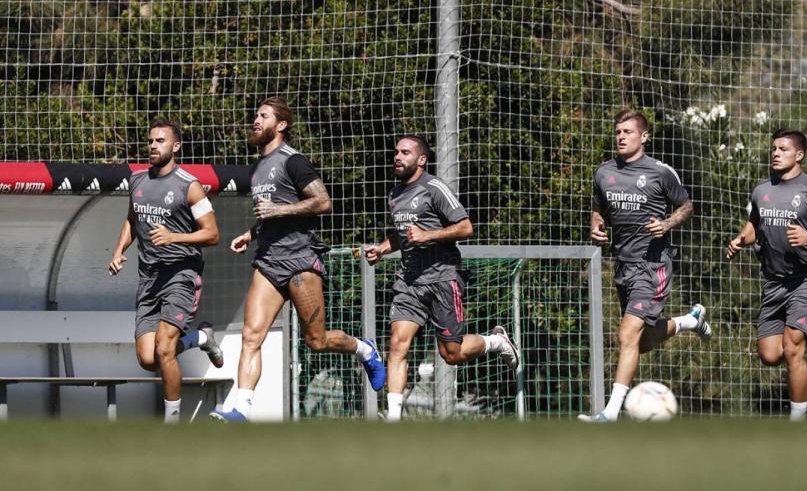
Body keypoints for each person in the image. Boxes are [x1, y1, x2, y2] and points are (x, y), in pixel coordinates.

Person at [210, 97, 384, 422]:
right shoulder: (257, 167)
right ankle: (241, 409)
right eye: (256, 115)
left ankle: (364, 349)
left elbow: (322, 201)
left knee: (316, 341)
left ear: (282, 125)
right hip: (269, 261)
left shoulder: (294, 161)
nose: (256, 120)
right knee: (252, 335)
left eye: (263, 116)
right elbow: (271, 214)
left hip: (301, 260)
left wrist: (278, 210)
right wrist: (252, 233)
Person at [364, 135, 520, 422]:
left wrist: (428, 235)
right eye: (396, 152)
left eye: (406, 152)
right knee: (397, 343)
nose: (398, 156)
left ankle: (497, 342)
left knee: (452, 353)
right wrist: (383, 248)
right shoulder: (395, 193)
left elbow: (465, 227)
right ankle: (393, 418)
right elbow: (403, 235)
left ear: (421, 159)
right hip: (409, 281)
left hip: (442, 278)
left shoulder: (434, 188)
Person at [578, 110, 711, 423]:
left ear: (644, 137)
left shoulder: (660, 172)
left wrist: (666, 224)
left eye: (628, 131)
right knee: (644, 341)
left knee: (627, 334)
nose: (621, 136)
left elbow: (687, 206)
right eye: (618, 132)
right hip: (623, 264)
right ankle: (689, 322)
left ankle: (609, 414)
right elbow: (598, 208)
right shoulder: (603, 172)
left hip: (653, 265)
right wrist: (596, 225)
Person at [726, 129, 807, 422]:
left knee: (793, 348)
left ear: (799, 155)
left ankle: (797, 424)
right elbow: (754, 224)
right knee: (770, 355)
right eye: (773, 148)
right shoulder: (761, 190)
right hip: (774, 280)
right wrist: (741, 239)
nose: (775, 153)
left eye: (783, 149)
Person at [108, 120, 223, 423]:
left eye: (160, 141)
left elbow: (212, 234)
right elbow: (132, 219)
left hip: (181, 276)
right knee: (149, 359)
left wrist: (175, 237)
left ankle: (171, 425)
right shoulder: (137, 181)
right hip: (150, 278)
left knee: (164, 349)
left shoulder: (189, 186)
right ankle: (200, 338)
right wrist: (119, 251)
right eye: (150, 141)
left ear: (176, 146)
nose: (153, 146)